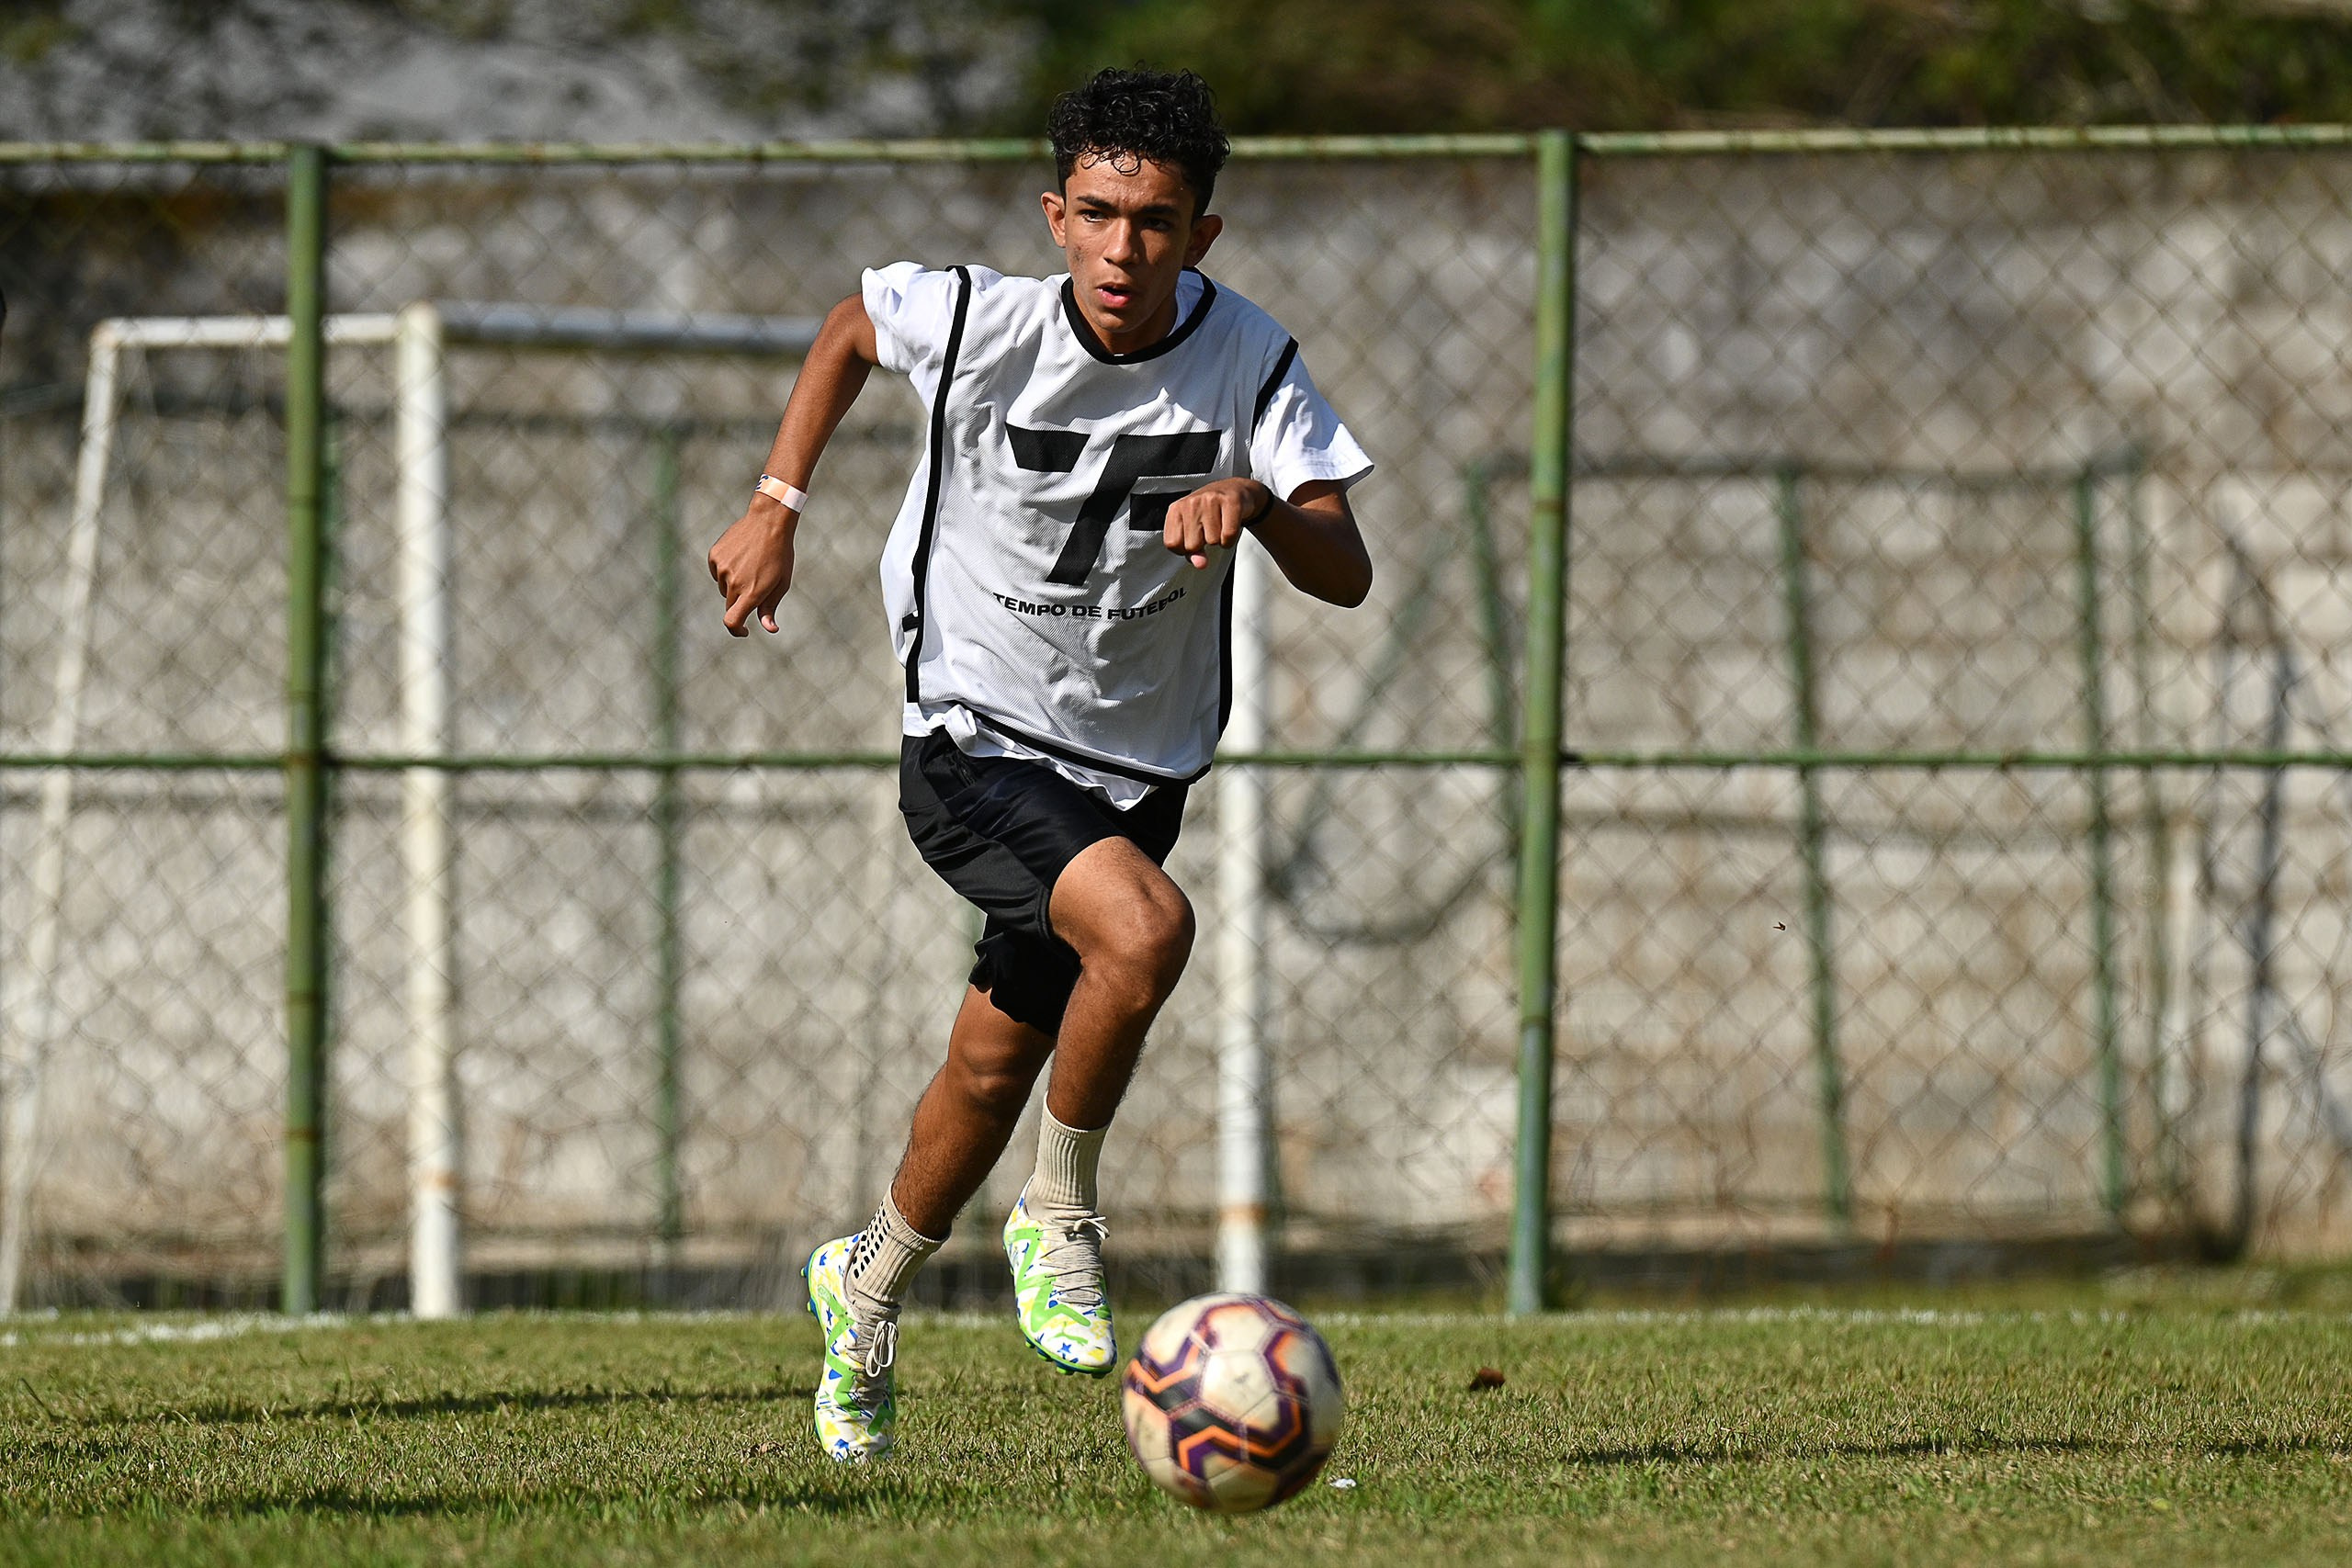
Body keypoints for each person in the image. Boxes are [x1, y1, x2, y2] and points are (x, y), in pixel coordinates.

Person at [707, 65, 1373, 1462]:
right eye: (1101, 213)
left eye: (1159, 220)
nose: (1125, 248)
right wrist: (778, 505)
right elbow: (846, 327)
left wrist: (1255, 504)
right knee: (1147, 929)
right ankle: (1060, 1217)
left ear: (1204, 234)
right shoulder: (978, 320)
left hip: (1132, 775)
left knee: (993, 1063)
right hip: (972, 735)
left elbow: (1346, 567)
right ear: (1055, 212)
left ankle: (866, 1286)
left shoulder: (1250, 357)